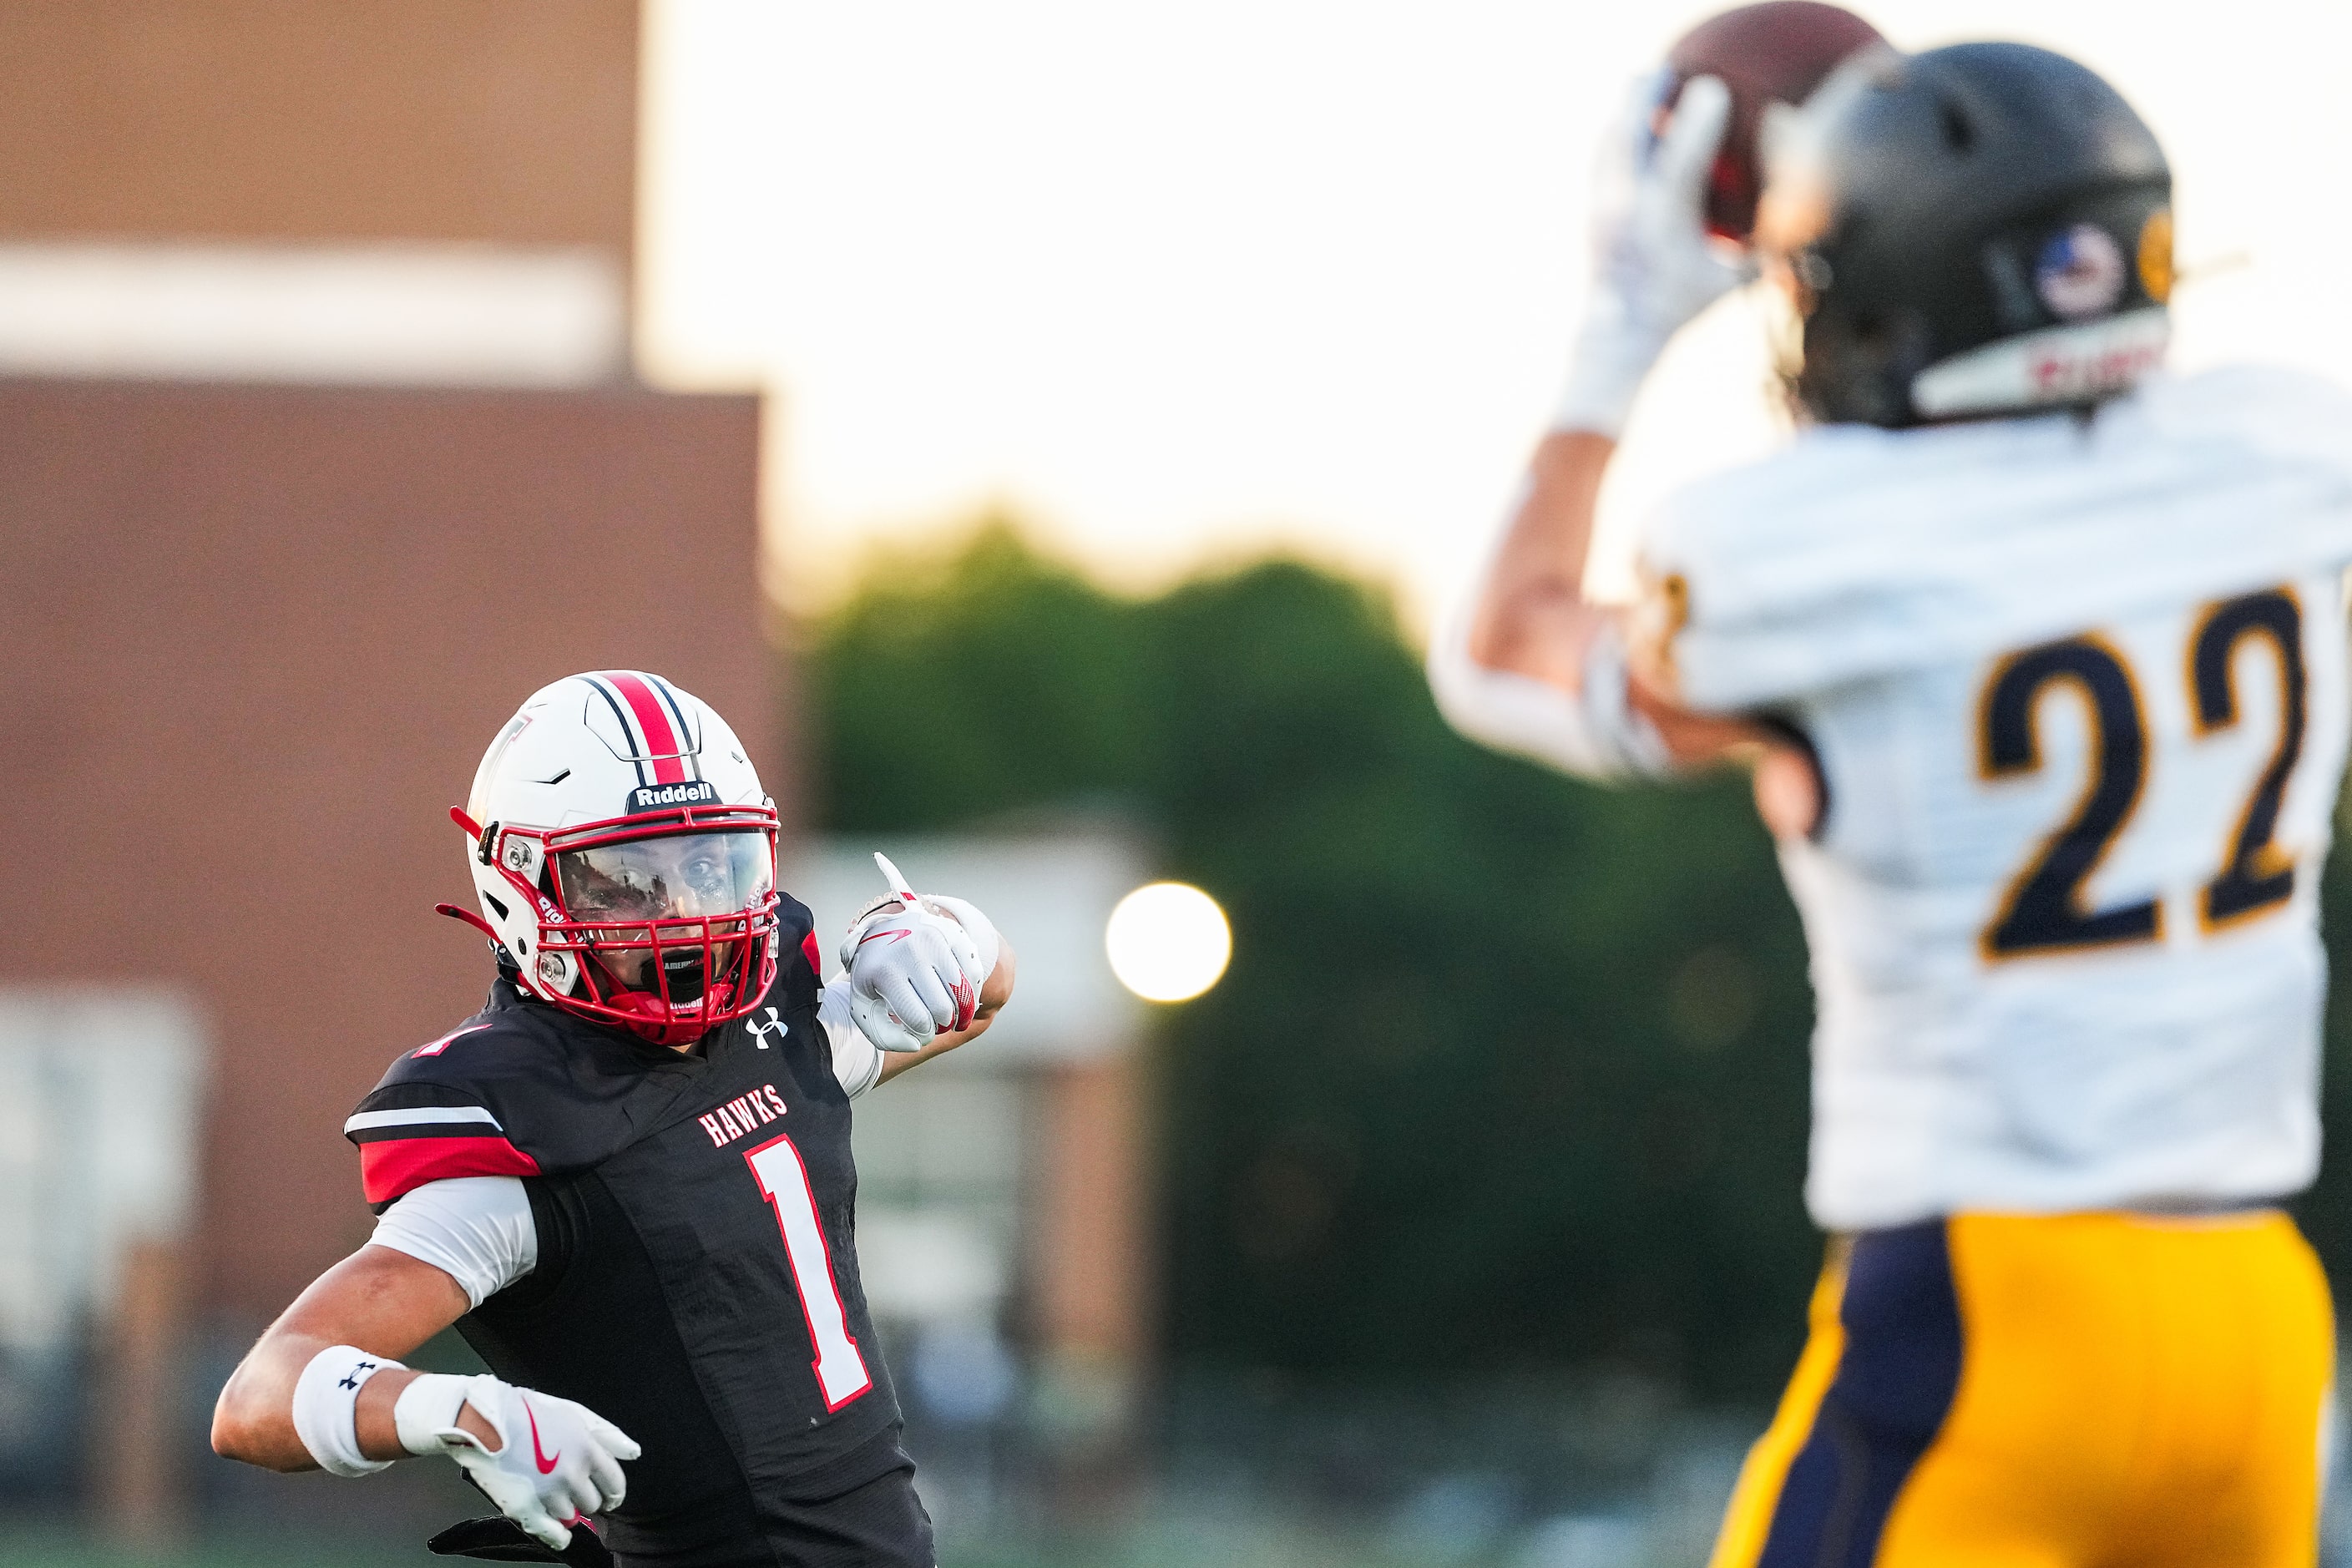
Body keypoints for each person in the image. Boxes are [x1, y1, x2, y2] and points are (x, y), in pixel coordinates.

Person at [1431, 38, 2352, 1568]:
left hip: (1995, 1315)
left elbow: (1502, 649)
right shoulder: (2288, 453)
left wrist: (1623, 326)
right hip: (2259, 1319)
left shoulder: (1802, 553)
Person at [212, 670, 1014, 1568]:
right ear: (521, 883)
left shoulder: (777, 1032)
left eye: (710, 866)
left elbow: (972, 998)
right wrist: (456, 1411)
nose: (682, 914)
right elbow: (255, 1399)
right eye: (628, 880)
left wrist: (941, 927)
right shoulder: (527, 1122)